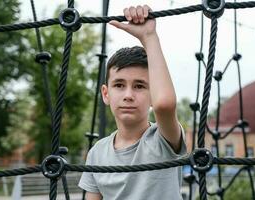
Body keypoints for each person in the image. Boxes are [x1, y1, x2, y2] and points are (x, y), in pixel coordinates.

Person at [78, 5, 187, 200]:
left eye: (139, 86)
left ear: (153, 94)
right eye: (119, 85)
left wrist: (149, 37)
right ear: (106, 94)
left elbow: (164, 104)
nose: (128, 95)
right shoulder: (97, 153)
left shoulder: (162, 140)